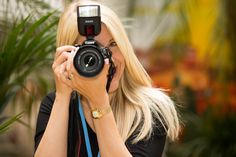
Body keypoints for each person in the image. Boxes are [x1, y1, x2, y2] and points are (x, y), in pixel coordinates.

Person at [34, 0, 180, 157]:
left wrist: (99, 102)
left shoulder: (150, 109)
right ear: (69, 57)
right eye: (93, 49)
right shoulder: (54, 104)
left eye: (113, 43)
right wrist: (62, 97)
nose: (107, 59)